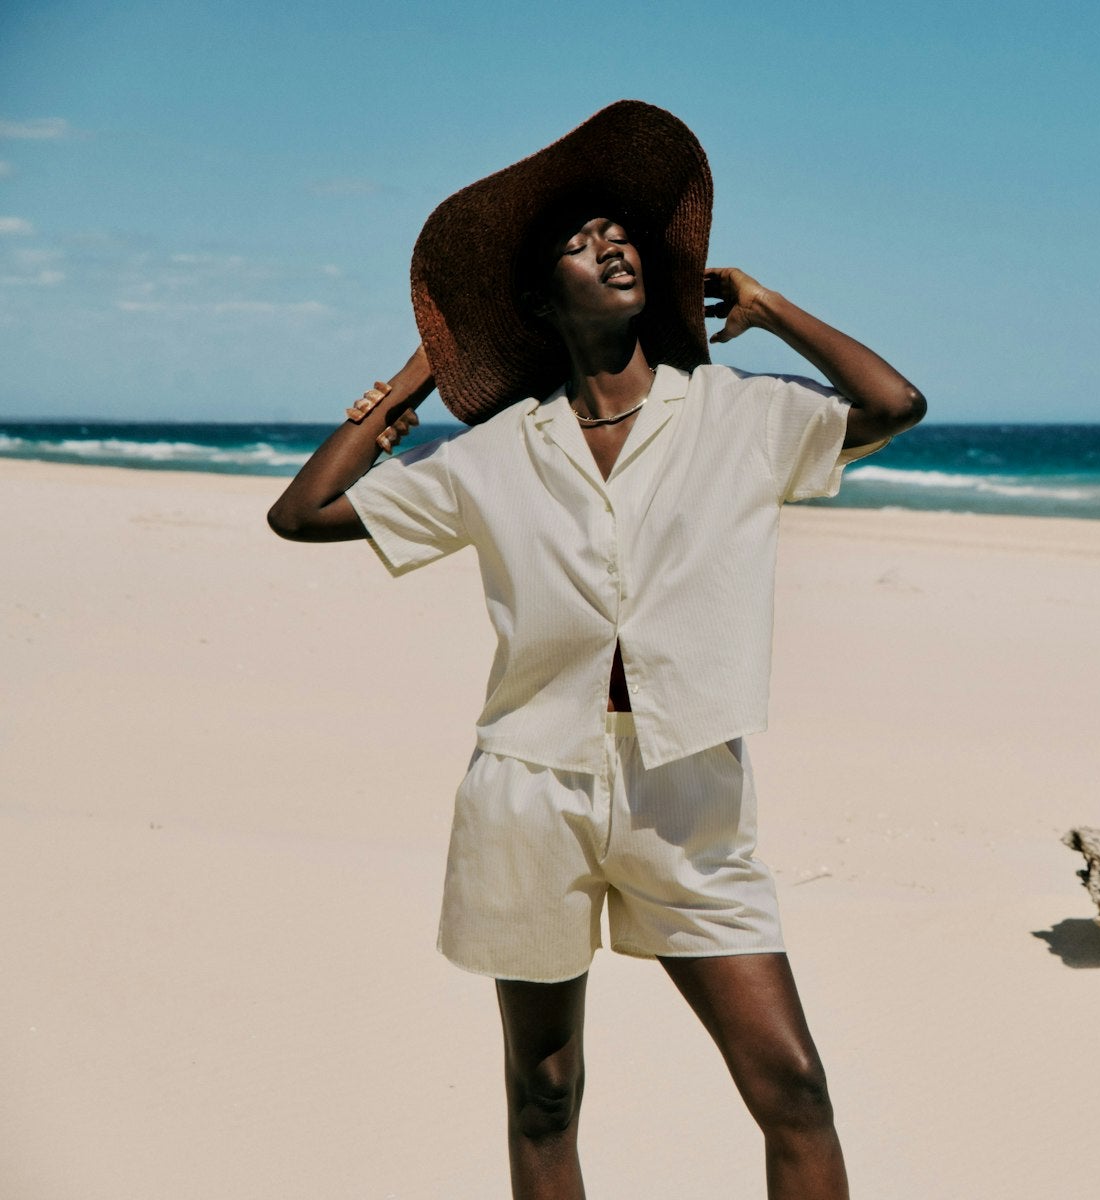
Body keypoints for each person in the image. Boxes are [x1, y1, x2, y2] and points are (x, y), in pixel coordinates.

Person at [266, 100, 924, 1200]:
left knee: (793, 1087)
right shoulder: (494, 459)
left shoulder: (733, 413)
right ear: (537, 297)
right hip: (529, 792)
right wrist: (415, 379)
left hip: (690, 795)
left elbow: (892, 403)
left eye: (619, 232)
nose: (612, 242)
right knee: (544, 1095)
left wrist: (769, 304)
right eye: (580, 241)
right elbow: (304, 513)